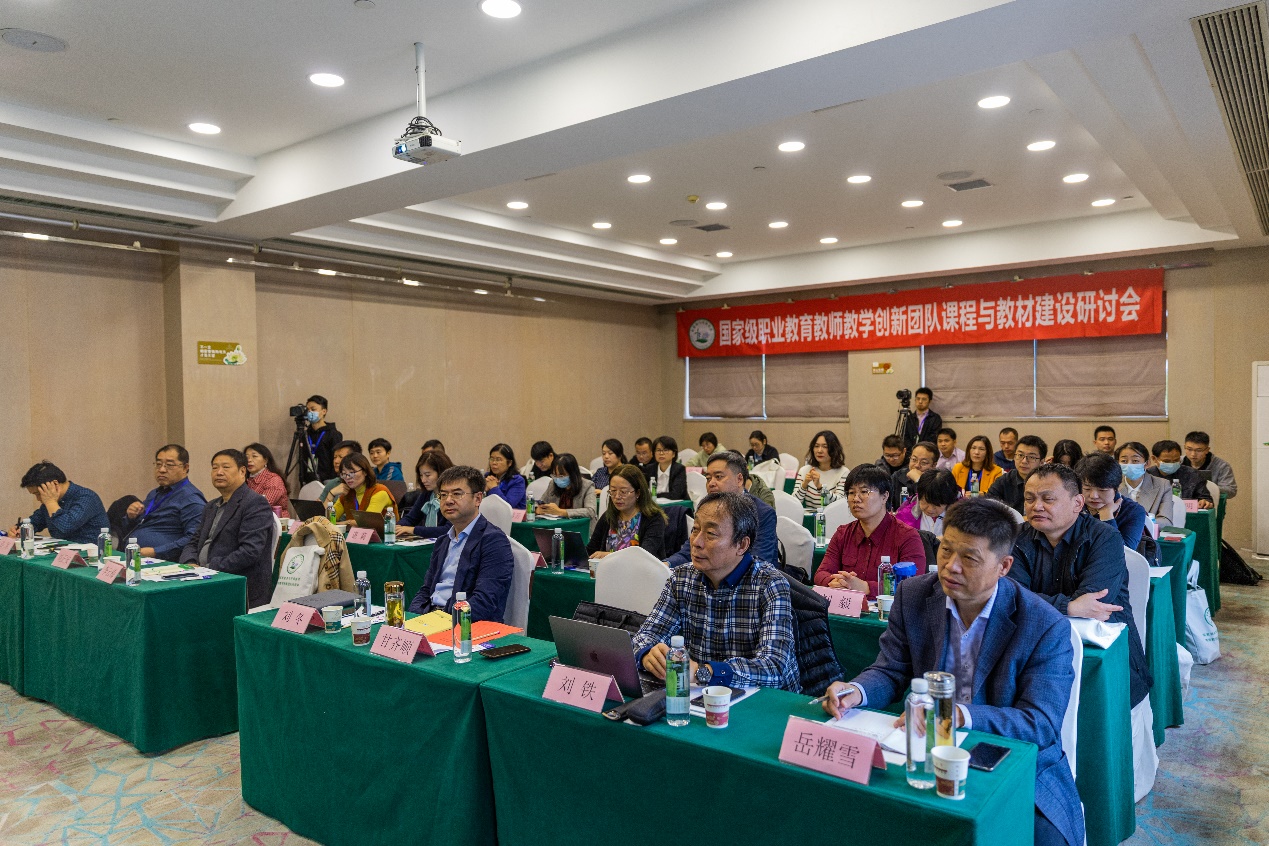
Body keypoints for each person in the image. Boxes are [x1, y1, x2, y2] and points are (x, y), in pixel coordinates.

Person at [821, 498, 1084, 846]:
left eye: (969, 558)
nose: (950, 567)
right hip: (924, 752)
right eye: (946, 550)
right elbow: (891, 669)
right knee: (851, 808)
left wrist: (955, 715)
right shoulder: (915, 594)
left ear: (1003, 566)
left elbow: (1040, 723)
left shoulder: (1043, 624)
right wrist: (856, 691)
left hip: (1009, 761)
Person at [1011, 463, 1151, 708]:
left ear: (1077, 503)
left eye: (1048, 499)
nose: (1037, 506)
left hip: (1099, 652)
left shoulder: (1105, 537)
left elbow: (1095, 602)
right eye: (1030, 499)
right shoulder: (1015, 538)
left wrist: (1037, 602)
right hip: (1034, 643)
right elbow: (1010, 597)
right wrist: (1070, 607)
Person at [634, 492, 799, 691]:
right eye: (695, 529)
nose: (696, 542)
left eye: (711, 534)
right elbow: (645, 636)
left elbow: (774, 668)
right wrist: (647, 654)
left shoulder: (770, 584)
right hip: (702, 695)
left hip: (763, 700)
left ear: (742, 545)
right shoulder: (681, 578)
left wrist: (704, 672)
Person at [407, 466, 513, 622]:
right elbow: (426, 590)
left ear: (478, 499)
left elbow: (484, 602)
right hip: (432, 618)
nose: (448, 500)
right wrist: (414, 618)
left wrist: (443, 622)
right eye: (443, 495)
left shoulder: (494, 541)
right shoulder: (443, 541)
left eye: (457, 494)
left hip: (465, 624)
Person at [179, 449, 276, 609]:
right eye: (214, 467)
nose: (219, 472)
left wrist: (208, 568)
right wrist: (189, 563)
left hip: (235, 584)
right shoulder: (211, 506)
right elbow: (193, 542)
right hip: (201, 578)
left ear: (242, 471)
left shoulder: (254, 503)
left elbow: (249, 552)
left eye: (225, 467)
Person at [813, 465, 926, 598]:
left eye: (864, 491)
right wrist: (835, 582)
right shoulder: (843, 533)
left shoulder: (907, 536)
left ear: (884, 496)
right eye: (851, 493)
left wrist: (866, 587)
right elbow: (821, 573)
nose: (856, 499)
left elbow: (912, 586)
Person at [666, 451, 777, 566]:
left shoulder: (762, 513)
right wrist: (667, 564)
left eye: (718, 477)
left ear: (739, 479)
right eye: (708, 478)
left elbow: (760, 561)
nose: (711, 483)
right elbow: (688, 552)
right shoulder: (706, 509)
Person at [128, 445, 207, 559]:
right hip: (136, 556)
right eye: (158, 464)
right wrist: (131, 516)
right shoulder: (155, 493)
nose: (162, 470)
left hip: (164, 561)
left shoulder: (191, 498)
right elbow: (141, 524)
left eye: (169, 465)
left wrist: (156, 552)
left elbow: (193, 539)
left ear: (185, 468)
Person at [11, 462, 108, 545]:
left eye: (38, 493)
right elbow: (36, 521)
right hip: (62, 553)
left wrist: (50, 502)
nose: (38, 499)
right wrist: (19, 529)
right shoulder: (51, 501)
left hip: (91, 555)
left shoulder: (86, 497)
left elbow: (66, 526)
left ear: (55, 484)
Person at [586, 464, 666, 559]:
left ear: (638, 493)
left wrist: (608, 556)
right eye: (613, 491)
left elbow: (645, 555)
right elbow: (591, 550)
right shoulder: (608, 517)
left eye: (623, 492)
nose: (617, 497)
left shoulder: (653, 518)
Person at [1076, 453, 1149, 552]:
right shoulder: (1073, 505)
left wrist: (1107, 517)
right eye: (1087, 489)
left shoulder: (1133, 511)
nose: (1093, 496)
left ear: (1116, 488)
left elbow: (1125, 553)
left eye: (1102, 490)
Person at [1116, 441, 1176, 527]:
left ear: (1147, 463)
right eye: (1124, 461)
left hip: (1148, 533)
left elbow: (1166, 521)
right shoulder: (1112, 486)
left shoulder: (1163, 485)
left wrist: (1136, 522)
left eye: (1135, 460)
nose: (1129, 464)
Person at [399, 450, 454, 539]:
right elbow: (410, 518)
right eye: (421, 475)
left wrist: (413, 530)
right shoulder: (427, 494)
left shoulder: (452, 497)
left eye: (427, 475)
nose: (423, 480)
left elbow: (448, 530)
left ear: (441, 473)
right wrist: (397, 527)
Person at [327, 453, 397, 522]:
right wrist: (331, 494)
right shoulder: (348, 494)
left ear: (365, 472)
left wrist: (345, 523)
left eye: (352, 472)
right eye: (344, 474)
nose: (347, 477)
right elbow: (328, 519)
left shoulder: (379, 491)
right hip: (354, 530)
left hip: (386, 530)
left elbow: (367, 522)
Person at [986, 435, 1046, 513]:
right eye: (1020, 455)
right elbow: (987, 507)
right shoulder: (1004, 481)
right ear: (1014, 457)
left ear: (1041, 462)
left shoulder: (1048, 483)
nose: (1024, 461)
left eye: (1031, 457)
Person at [895, 468, 959, 537]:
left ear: (949, 501)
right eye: (925, 502)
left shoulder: (961, 517)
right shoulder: (905, 516)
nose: (930, 509)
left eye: (936, 505)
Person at [1148, 439, 1212, 508]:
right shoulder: (1146, 476)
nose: (1172, 464)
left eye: (1176, 460)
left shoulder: (1193, 474)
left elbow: (1206, 498)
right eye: (1166, 461)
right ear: (1154, 459)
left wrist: (1205, 502)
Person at [794, 430, 849, 509]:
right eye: (816, 446)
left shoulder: (843, 472)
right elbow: (794, 503)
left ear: (834, 449)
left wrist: (820, 487)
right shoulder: (804, 471)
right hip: (810, 516)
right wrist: (804, 484)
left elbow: (840, 503)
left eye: (825, 447)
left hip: (833, 515)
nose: (819, 451)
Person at [536, 453, 598, 523]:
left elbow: (590, 511)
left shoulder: (587, 486)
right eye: (555, 475)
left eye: (561, 476)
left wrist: (561, 512)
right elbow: (541, 502)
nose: (557, 479)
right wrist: (538, 509)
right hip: (557, 525)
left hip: (580, 526)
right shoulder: (552, 484)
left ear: (572, 474)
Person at [299, 395, 342, 484]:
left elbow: (336, 460)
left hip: (327, 480)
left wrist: (332, 481)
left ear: (324, 411)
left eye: (313, 409)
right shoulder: (305, 434)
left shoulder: (333, 434)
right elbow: (302, 459)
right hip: (308, 480)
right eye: (308, 410)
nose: (310, 412)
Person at [1183, 431, 1237, 498]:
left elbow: (1231, 491)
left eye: (1198, 450)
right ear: (1184, 447)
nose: (1193, 454)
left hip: (1212, 502)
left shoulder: (1222, 466)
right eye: (1189, 449)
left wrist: (1208, 487)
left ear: (1207, 450)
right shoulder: (1178, 462)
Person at [888, 441, 937, 510]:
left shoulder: (938, 481)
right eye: (914, 459)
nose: (917, 465)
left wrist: (918, 480)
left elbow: (930, 506)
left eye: (923, 463)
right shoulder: (898, 476)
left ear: (934, 465)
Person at [244, 442, 289, 512]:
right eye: (246, 457)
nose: (249, 460)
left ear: (265, 460)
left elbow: (262, 505)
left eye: (254, 456)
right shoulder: (246, 479)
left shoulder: (273, 479)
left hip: (273, 518)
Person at [485, 443, 527, 509]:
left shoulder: (517, 481)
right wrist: (484, 491)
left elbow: (508, 506)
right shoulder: (487, 477)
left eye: (498, 459)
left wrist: (494, 488)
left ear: (509, 463)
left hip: (514, 515)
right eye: (492, 459)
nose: (494, 463)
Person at [645, 436, 688, 500]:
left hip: (677, 504)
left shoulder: (679, 469)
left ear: (673, 454)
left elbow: (676, 495)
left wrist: (655, 495)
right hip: (654, 504)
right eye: (658, 450)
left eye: (665, 450)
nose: (661, 453)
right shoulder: (650, 469)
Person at [901, 386, 942, 450]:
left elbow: (934, 437)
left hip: (928, 451)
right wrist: (912, 449)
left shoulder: (935, 418)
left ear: (930, 401)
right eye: (918, 399)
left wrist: (921, 449)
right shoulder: (909, 418)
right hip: (910, 452)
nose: (920, 401)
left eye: (924, 399)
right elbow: (905, 436)